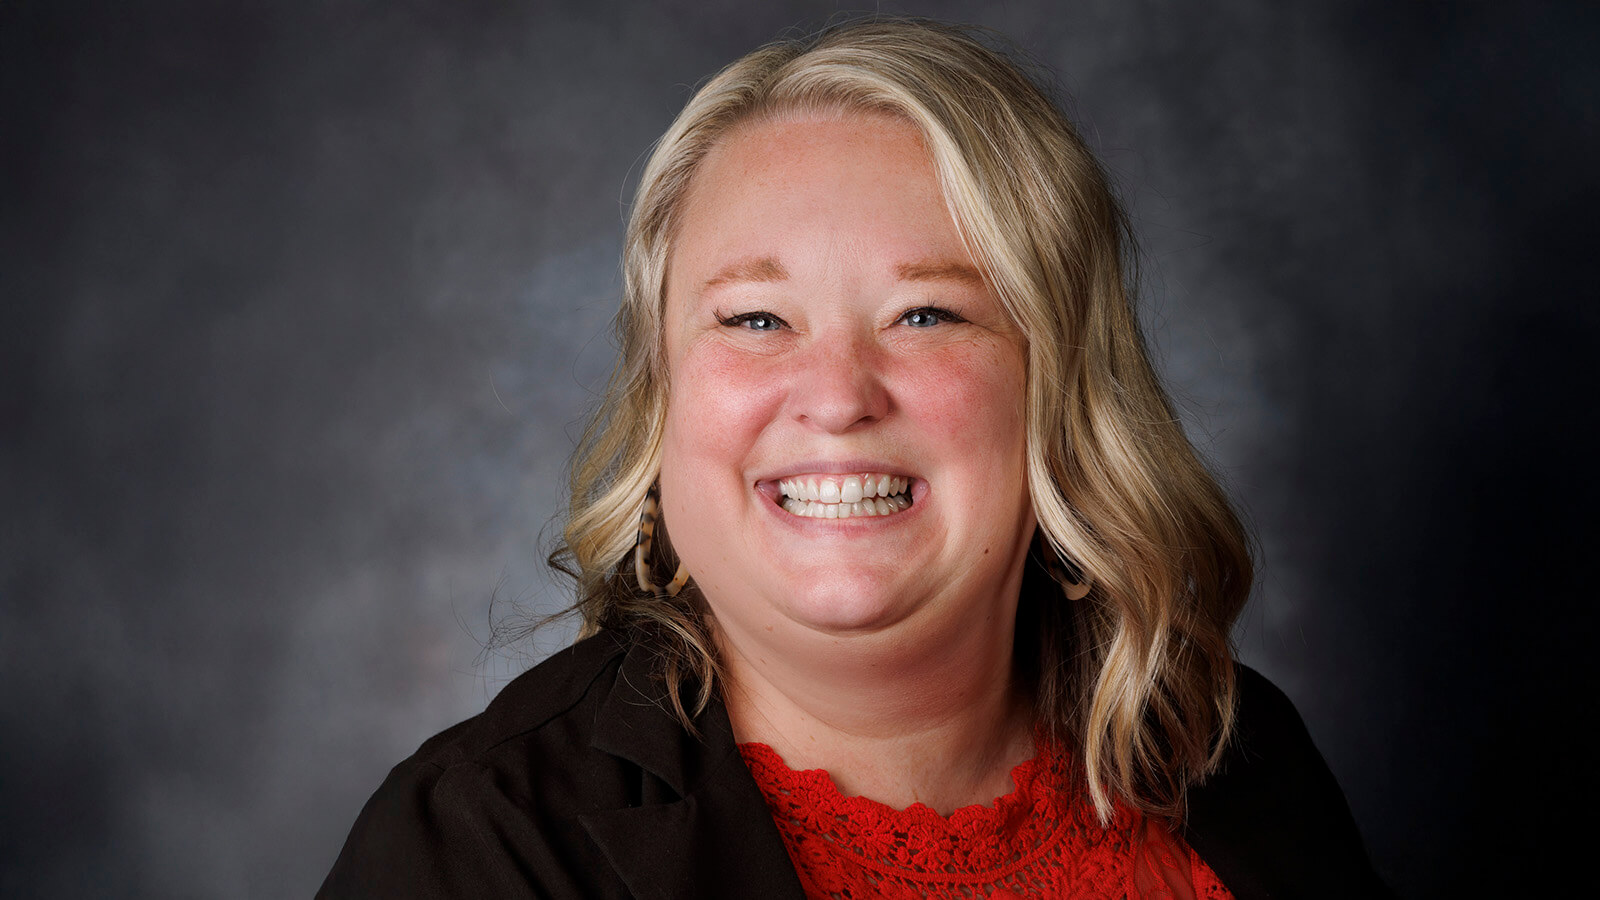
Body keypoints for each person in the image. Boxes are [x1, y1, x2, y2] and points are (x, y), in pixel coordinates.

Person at [320, 18, 1389, 899]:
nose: (836, 398)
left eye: (926, 314)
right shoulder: (477, 848)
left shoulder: (1232, 755)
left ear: (1058, 387)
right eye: (752, 319)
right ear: (664, 392)